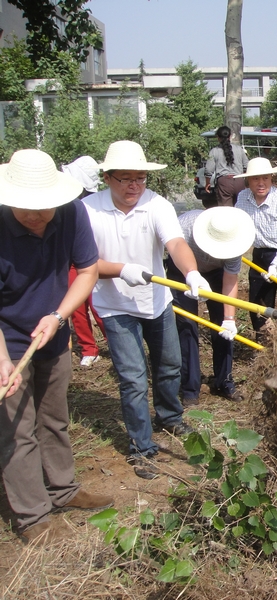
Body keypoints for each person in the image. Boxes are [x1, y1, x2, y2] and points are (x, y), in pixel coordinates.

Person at [0, 149, 114, 544]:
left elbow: (87, 270)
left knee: (54, 416)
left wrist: (59, 316)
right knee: (17, 429)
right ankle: (32, 516)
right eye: (27, 208)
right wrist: (1, 359)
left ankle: (63, 489)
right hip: (8, 340)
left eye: (44, 208)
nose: (36, 216)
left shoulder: (70, 212)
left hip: (53, 331)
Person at [82, 140, 211, 480]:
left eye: (140, 178)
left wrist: (191, 272)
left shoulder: (156, 204)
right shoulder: (89, 210)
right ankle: (142, 445)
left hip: (156, 301)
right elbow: (85, 262)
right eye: (125, 178)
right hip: (114, 305)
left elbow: (176, 242)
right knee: (133, 378)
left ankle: (169, 416)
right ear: (107, 178)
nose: (134, 186)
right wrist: (120, 268)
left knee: (169, 365)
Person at [167, 207, 255, 404]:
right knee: (187, 324)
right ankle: (190, 387)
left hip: (216, 273)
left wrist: (230, 319)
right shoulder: (185, 227)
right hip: (182, 272)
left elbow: (230, 279)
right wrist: (191, 275)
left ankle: (224, 381)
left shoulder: (235, 237)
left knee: (222, 325)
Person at [234, 157, 277, 332]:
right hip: (260, 255)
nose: (261, 183)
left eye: (265, 178)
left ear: (271, 178)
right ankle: (265, 343)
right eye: (256, 179)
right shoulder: (243, 199)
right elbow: (237, 226)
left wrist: (276, 264)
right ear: (248, 180)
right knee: (259, 303)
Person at [62, 156, 106, 367]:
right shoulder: (64, 200)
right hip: (69, 260)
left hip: (94, 259)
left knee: (99, 305)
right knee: (76, 307)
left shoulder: (96, 204)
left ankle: (115, 343)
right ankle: (89, 348)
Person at [204, 125, 249, 208]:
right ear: (230, 136)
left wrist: (207, 183)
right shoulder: (239, 149)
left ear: (218, 137)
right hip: (239, 181)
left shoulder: (214, 151)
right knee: (241, 209)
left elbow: (208, 170)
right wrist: (246, 182)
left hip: (224, 184)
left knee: (226, 212)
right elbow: (246, 166)